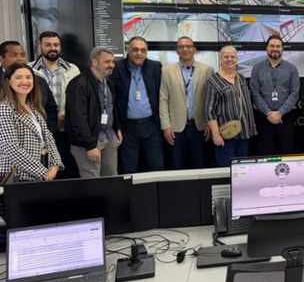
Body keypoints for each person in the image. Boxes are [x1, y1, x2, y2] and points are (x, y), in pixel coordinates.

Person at [65, 48, 123, 178]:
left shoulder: (108, 81)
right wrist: (90, 146)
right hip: (89, 142)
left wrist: (117, 128)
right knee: (92, 182)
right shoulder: (78, 84)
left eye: (113, 62)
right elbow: (78, 118)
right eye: (107, 61)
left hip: (109, 137)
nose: (112, 65)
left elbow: (112, 107)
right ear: (95, 62)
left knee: (112, 178)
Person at [30, 31, 81, 178]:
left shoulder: (73, 69)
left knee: (70, 171)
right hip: (42, 130)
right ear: (40, 47)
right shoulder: (29, 70)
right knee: (47, 172)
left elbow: (78, 99)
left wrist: (66, 115)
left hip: (67, 129)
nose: (52, 48)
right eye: (48, 45)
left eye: (56, 45)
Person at [0, 63, 63, 182]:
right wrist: (43, 172)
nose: (25, 81)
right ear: (8, 81)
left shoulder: (33, 107)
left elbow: (48, 137)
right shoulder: (4, 108)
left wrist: (55, 165)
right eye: (18, 77)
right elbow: (11, 147)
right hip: (17, 175)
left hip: (41, 167)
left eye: (28, 77)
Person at [159, 36, 214, 169]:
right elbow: (163, 99)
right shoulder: (166, 71)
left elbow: (211, 99)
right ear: (177, 51)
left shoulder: (207, 70)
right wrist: (166, 126)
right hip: (176, 128)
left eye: (188, 46)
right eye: (181, 47)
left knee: (200, 164)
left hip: (200, 126)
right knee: (177, 165)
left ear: (194, 50)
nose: (185, 49)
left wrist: (210, 123)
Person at [112, 36, 163, 173]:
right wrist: (117, 127)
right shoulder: (117, 68)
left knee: (156, 166)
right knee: (129, 169)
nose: (139, 53)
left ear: (146, 52)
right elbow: (113, 101)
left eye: (143, 50)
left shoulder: (155, 67)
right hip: (128, 128)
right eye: (135, 50)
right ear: (128, 50)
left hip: (151, 126)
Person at [205, 46, 257, 167]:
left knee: (243, 170)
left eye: (232, 57)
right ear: (220, 60)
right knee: (226, 170)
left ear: (236, 59)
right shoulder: (213, 82)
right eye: (226, 57)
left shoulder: (241, 78)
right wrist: (216, 134)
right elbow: (209, 110)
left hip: (244, 133)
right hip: (226, 136)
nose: (230, 59)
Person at [249, 34, 300, 155]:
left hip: (285, 119)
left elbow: (294, 93)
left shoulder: (292, 69)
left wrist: (280, 113)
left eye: (278, 46)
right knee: (265, 154)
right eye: (272, 46)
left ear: (282, 49)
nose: (275, 49)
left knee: (287, 153)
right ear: (267, 48)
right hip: (264, 119)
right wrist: (268, 113)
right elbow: (255, 93)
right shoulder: (257, 68)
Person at [0, 40, 58, 134]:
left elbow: (50, 109)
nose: (20, 59)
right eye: (14, 55)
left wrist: (47, 134)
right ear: (1, 59)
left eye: (22, 55)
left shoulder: (39, 80)